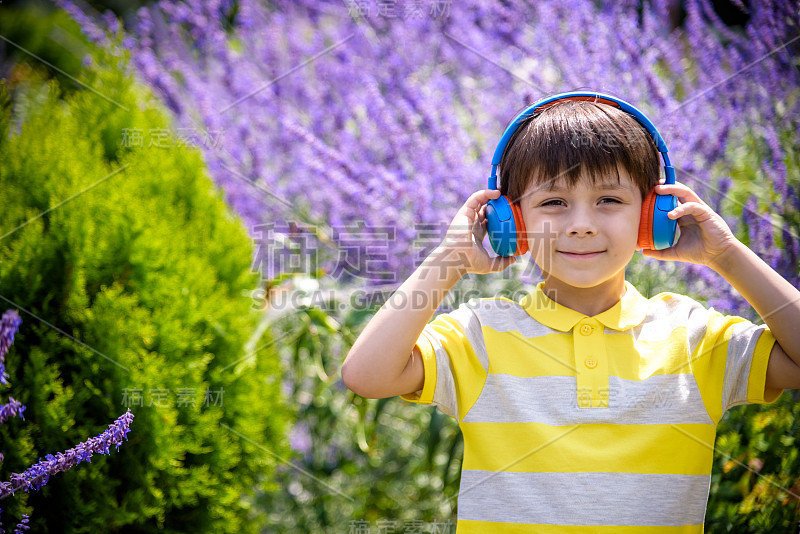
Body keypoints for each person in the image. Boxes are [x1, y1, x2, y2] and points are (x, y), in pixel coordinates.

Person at [340, 95, 800, 533]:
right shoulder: (481, 335)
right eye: (553, 202)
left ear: (653, 217)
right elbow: (367, 375)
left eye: (609, 201)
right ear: (511, 223)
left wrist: (726, 255)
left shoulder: (694, 336)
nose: (581, 223)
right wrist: (449, 259)